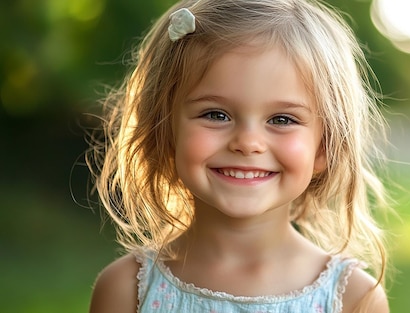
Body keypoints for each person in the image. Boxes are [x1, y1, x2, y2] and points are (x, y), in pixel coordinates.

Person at [87, 0, 391, 312]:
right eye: (216, 114)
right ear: (165, 132)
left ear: (325, 146)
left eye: (282, 119)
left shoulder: (354, 299)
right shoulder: (126, 290)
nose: (247, 143)